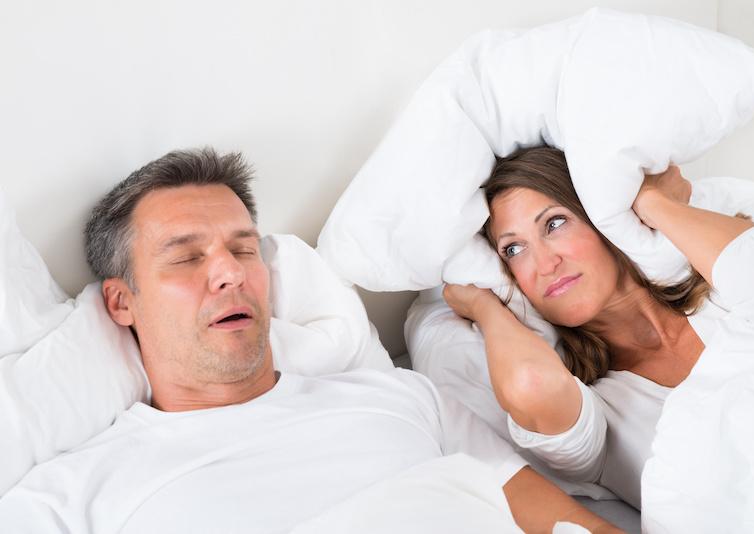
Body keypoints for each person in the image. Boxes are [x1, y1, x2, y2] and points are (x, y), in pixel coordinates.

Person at [0, 148, 620, 533]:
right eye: (187, 258)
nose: (230, 271)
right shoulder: (71, 497)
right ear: (121, 301)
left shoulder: (403, 400)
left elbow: (565, 523)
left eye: (244, 249)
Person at [442, 146, 754, 509]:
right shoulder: (598, 412)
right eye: (514, 250)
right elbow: (531, 384)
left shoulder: (725, 291)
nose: (545, 264)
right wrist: (486, 307)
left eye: (554, 223)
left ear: (600, 219)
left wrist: (648, 200)